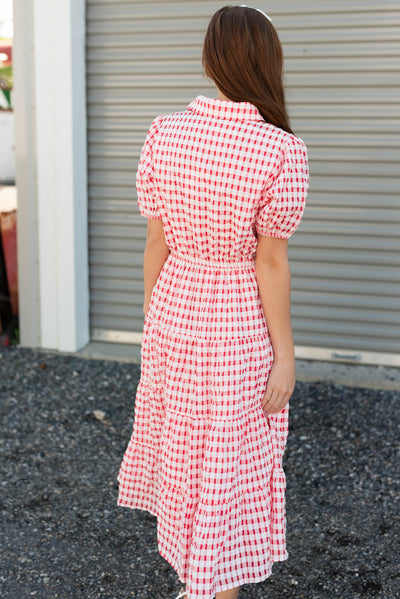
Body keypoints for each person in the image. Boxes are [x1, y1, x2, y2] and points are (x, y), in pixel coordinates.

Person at [117, 5, 309, 599]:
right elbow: (269, 262)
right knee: (229, 454)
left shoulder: (163, 132)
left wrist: (154, 321)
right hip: (237, 323)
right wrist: (285, 354)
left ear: (209, 60)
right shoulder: (280, 149)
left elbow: (156, 242)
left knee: (183, 444)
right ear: (268, 62)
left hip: (174, 308)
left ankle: (196, 577)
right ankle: (214, 587)